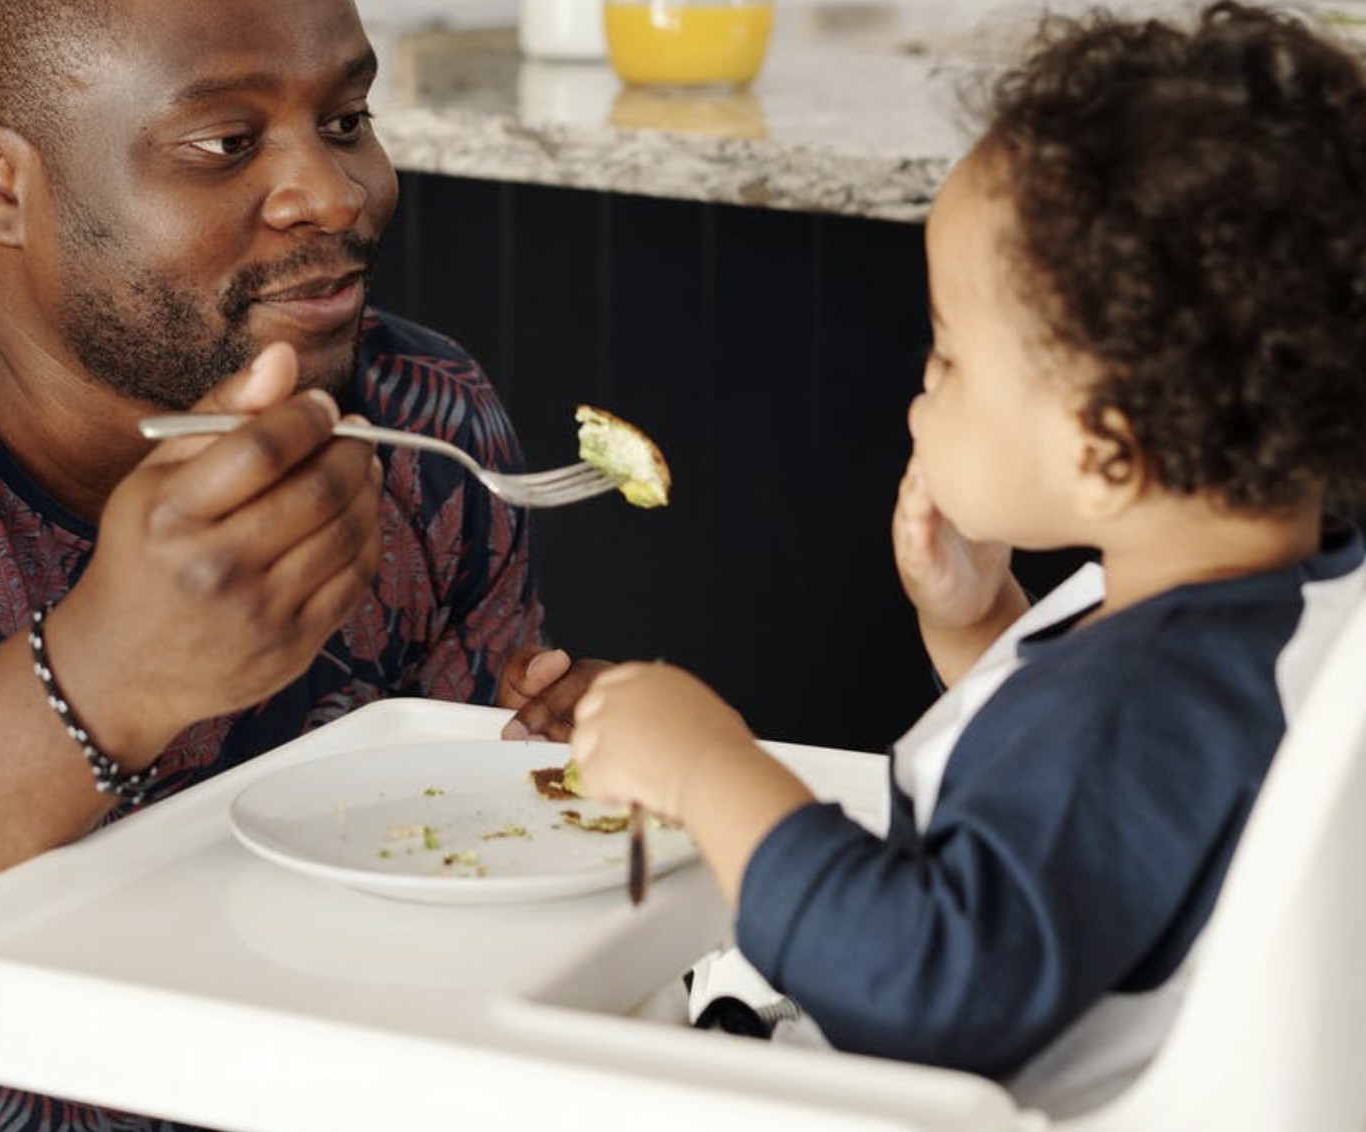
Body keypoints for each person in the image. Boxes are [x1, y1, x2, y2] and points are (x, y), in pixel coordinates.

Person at [0, 0, 603, 1126]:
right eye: (226, 143)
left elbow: (449, 914)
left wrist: (553, 773)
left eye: (346, 117)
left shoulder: (416, 423)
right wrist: (102, 679)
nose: (337, 194)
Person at [570, 1, 1366, 1117]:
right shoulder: (1264, 606)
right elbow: (1095, 839)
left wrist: (709, 767)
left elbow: (923, 977)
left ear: (1104, 448)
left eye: (947, 354)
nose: (921, 390)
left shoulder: (1143, 700)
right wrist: (980, 625)